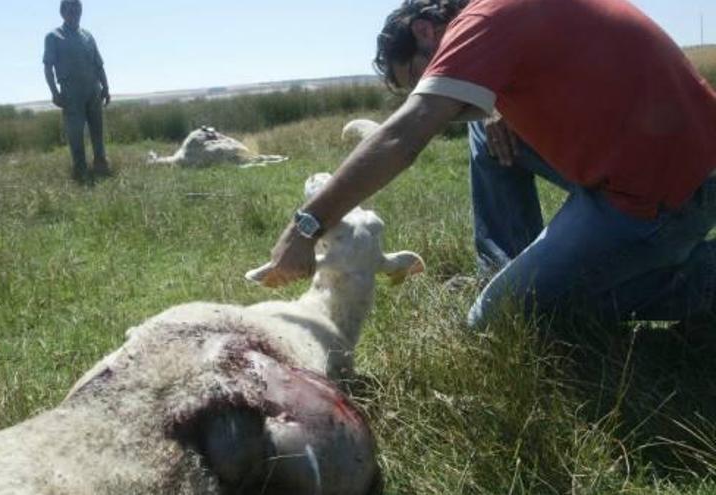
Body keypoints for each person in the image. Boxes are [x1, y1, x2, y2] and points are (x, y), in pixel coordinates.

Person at [259, 0, 716, 330]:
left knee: (500, 322)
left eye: (420, 80)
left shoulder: (483, 19)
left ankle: (702, 279)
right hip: (671, 161)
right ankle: (504, 266)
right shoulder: (504, 16)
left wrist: (307, 225)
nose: (430, 92)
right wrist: (495, 111)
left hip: (662, 194)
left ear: (425, 30)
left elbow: (405, 135)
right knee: (483, 126)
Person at [43, 0, 112, 183]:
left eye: (78, 8)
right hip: (71, 92)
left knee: (97, 130)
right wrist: (54, 92)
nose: (75, 12)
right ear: (62, 12)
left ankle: (100, 165)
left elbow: (99, 64)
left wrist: (105, 87)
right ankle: (80, 171)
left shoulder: (88, 36)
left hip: (93, 89)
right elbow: (48, 67)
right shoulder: (53, 36)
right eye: (70, 8)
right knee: (75, 133)